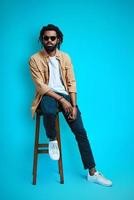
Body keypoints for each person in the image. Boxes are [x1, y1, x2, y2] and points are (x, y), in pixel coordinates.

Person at [29, 24, 112, 187]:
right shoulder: (34, 59)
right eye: (46, 38)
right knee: (49, 109)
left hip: (66, 96)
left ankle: (92, 172)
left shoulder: (65, 57)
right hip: (47, 95)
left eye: (53, 38)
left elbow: (71, 82)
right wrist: (62, 101)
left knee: (80, 132)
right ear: (42, 40)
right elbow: (41, 87)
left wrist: (73, 105)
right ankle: (52, 139)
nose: (49, 41)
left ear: (58, 39)